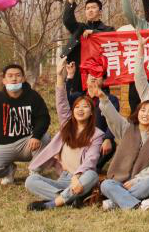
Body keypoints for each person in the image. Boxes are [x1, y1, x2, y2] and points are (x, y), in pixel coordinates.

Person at [24, 57, 104, 211]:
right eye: (77, 107)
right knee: (31, 181)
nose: (80, 110)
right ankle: (70, 198)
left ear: (91, 112)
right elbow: (61, 102)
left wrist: (76, 177)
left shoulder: (97, 134)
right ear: (72, 111)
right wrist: (60, 76)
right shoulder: (67, 125)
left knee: (92, 175)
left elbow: (92, 159)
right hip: (64, 178)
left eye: (85, 107)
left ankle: (52, 203)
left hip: (81, 178)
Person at [0, 64, 50, 185]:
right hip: (5, 144)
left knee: (44, 137)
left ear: (23, 79)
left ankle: (35, 172)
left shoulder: (32, 96)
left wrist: (36, 136)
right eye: (10, 76)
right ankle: (9, 170)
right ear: (4, 80)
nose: (14, 79)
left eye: (18, 75)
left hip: (27, 143)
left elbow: (44, 117)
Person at [98, 94, 149, 211]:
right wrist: (104, 99)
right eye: (143, 110)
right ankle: (138, 205)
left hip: (143, 183)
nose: (145, 114)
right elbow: (113, 117)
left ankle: (115, 202)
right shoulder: (126, 128)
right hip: (120, 182)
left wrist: (136, 180)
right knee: (106, 185)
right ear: (138, 112)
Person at [61, 0, 113, 94]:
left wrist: (93, 33)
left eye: (93, 7)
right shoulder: (80, 28)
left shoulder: (108, 30)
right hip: (79, 77)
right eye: (87, 8)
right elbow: (67, 20)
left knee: (100, 103)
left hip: (99, 78)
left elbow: (112, 39)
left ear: (100, 12)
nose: (90, 10)